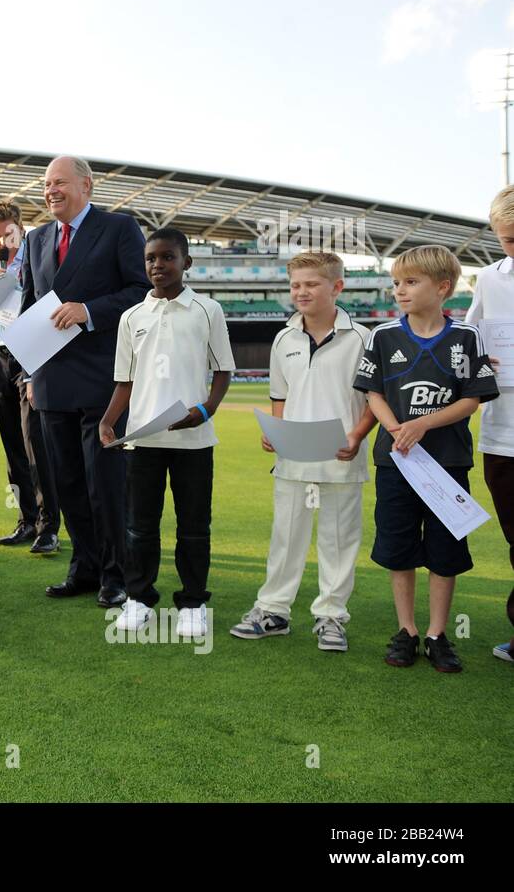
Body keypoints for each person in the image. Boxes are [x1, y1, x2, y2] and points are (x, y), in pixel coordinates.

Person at [353, 245, 498, 673]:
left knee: (444, 549)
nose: (400, 290)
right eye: (396, 282)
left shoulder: (466, 338)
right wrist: (398, 429)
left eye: (411, 282)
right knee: (399, 547)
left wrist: (424, 424)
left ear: (443, 288)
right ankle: (407, 630)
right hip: (396, 462)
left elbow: (472, 400)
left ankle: (437, 634)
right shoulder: (383, 336)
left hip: (447, 464)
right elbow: (373, 392)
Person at [19, 155, 150, 607]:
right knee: (68, 482)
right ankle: (84, 566)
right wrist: (30, 371)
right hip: (52, 378)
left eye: (59, 182)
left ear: (86, 185)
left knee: (105, 483)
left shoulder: (119, 228)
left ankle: (117, 573)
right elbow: (31, 308)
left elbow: (140, 290)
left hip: (104, 378)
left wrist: (89, 311)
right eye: (46, 184)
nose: (50, 190)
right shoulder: (35, 239)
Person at [230, 252, 376, 651]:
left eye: (311, 284)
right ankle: (273, 611)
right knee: (285, 538)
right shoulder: (283, 338)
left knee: (338, 541)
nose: (301, 292)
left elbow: (374, 401)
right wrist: (275, 432)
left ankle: (331, 617)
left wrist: (357, 436)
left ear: (337, 287)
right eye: (296, 285)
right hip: (292, 457)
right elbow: (280, 395)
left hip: (342, 459)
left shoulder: (362, 338)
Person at [98, 228, 234, 637]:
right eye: (151, 259)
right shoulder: (131, 317)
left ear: (186, 262)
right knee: (140, 526)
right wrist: (108, 420)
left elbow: (224, 370)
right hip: (142, 440)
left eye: (167, 257)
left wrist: (205, 410)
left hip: (193, 440)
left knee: (194, 526)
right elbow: (125, 380)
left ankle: (193, 602)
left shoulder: (207, 310)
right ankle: (139, 598)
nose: (158, 265)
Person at [0, 199, 58, 553]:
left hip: (30, 360)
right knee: (12, 450)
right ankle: (25, 520)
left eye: (8, 235)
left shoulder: (37, 260)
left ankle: (49, 526)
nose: (2, 243)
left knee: (35, 445)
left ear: (20, 229)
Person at [463, 184, 514, 665]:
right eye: (507, 239)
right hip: (503, 431)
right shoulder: (491, 279)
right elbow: (469, 342)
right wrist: (483, 359)